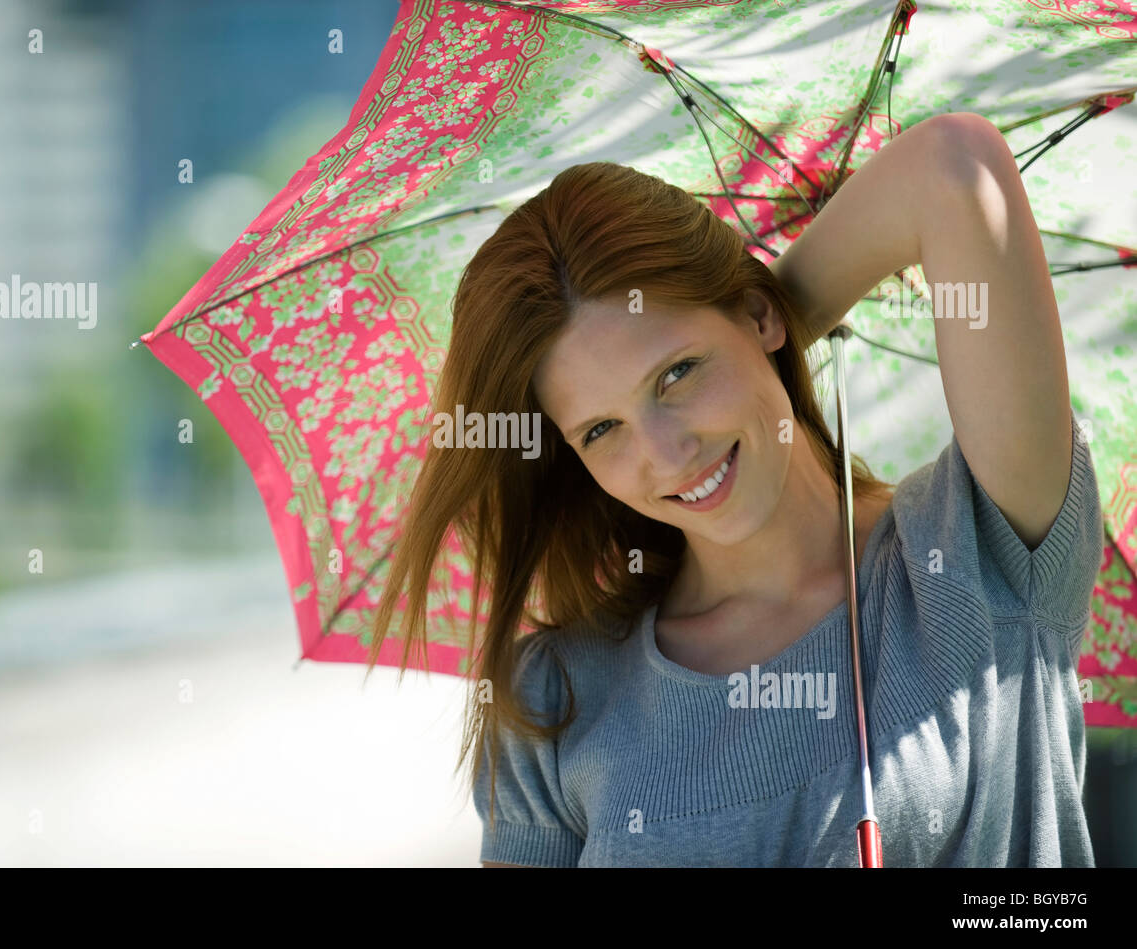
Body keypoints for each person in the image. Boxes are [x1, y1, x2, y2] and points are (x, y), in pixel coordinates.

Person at [366, 113, 1103, 866]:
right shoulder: (556, 699)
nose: (669, 452)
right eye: (600, 430)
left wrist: (781, 312)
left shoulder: (976, 549)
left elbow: (956, 163)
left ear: (757, 315)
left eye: (678, 372)